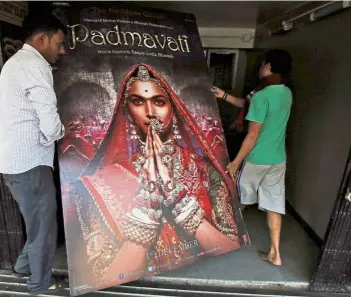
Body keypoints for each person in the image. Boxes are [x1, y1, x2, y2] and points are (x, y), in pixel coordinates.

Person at [65, 64, 248, 292]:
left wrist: (180, 202)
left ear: (173, 107)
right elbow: (102, 278)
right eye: (138, 101)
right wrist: (148, 205)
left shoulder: (205, 171)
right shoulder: (101, 183)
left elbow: (232, 247)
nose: (150, 112)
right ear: (127, 109)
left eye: (159, 101)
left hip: (201, 283)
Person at [0, 13, 74, 293]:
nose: (62, 50)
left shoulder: (16, 63)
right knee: (43, 226)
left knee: (35, 220)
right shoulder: (35, 65)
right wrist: (64, 130)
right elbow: (51, 125)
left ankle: (24, 265)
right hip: (30, 164)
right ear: (42, 39)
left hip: (14, 164)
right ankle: (40, 284)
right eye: (59, 43)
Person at [212, 49, 293, 266]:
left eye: (263, 64)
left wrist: (236, 162)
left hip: (257, 158)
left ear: (268, 67)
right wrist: (224, 95)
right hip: (278, 158)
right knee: (274, 203)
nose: (260, 68)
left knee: (236, 197)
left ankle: (222, 240)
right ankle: (275, 253)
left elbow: (252, 134)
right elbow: (248, 106)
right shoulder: (285, 92)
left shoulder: (261, 95)